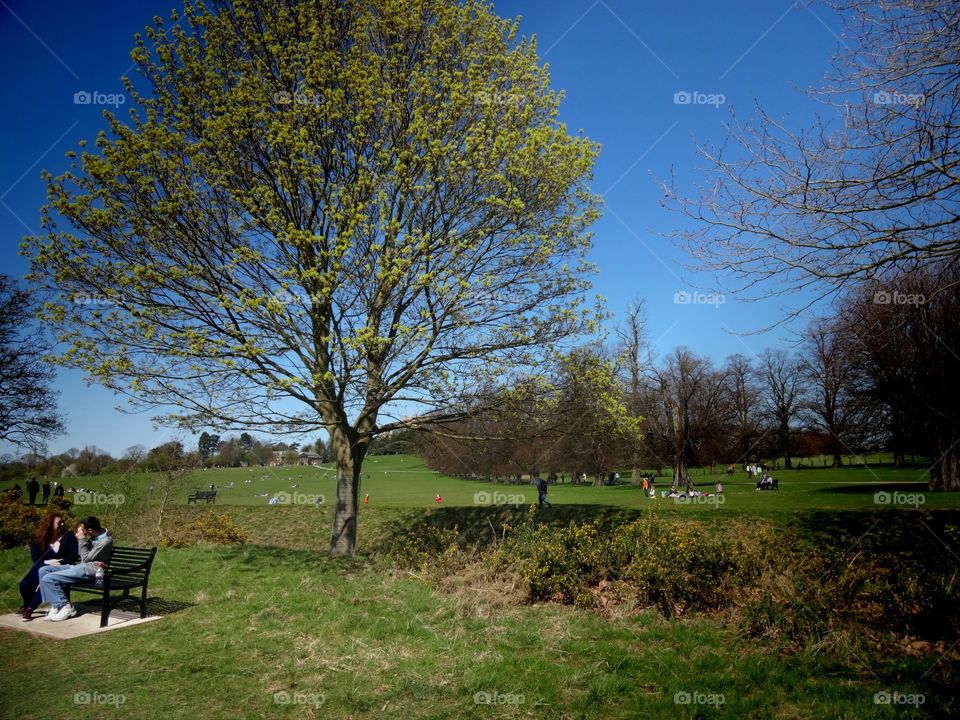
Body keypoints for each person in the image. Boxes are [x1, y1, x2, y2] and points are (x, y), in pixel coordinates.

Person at [36, 516, 114, 622]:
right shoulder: (95, 535)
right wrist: (83, 539)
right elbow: (83, 555)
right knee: (43, 570)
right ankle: (56, 605)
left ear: (90, 530)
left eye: (82, 528)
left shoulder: (104, 541)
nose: (80, 530)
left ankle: (66, 606)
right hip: (81, 567)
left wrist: (81, 539)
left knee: (49, 578)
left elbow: (85, 558)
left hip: (92, 570)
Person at [18, 512, 79, 620]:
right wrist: (42, 573)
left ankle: (30, 608)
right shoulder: (39, 538)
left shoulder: (68, 536)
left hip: (62, 567)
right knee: (25, 584)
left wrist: (60, 562)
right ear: (49, 525)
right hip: (41, 566)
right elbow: (36, 559)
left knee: (45, 583)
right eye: (59, 523)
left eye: (62, 522)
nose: (62, 524)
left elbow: (74, 555)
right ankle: (27, 604)